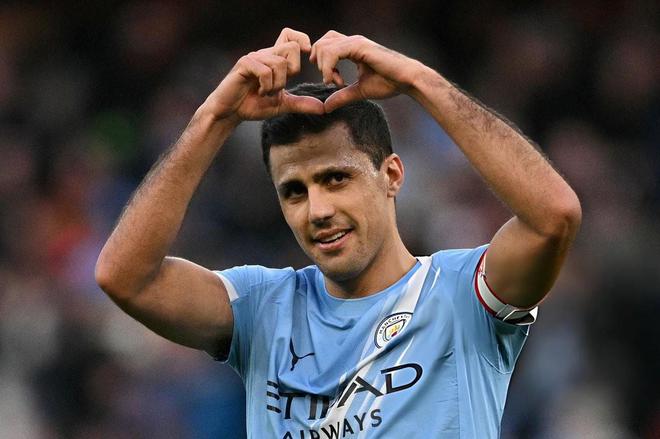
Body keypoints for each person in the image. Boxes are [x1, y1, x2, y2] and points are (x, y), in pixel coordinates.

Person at [95, 28, 581, 438]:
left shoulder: (461, 294)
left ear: (391, 175)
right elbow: (126, 277)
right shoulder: (263, 308)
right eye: (294, 191)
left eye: (336, 179)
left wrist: (420, 81)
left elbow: (554, 217)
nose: (318, 210)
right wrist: (214, 119)